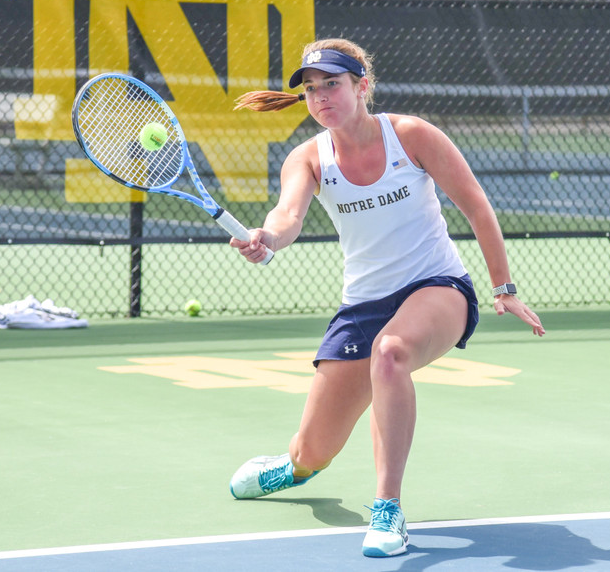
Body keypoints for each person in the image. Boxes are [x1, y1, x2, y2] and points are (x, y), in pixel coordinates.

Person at [227, 38, 545, 558]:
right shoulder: (308, 159)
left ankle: (388, 508)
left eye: (332, 84)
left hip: (437, 286)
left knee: (390, 353)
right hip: (363, 305)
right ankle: (293, 468)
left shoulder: (411, 136)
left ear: (362, 86)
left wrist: (503, 287)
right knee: (313, 451)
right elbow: (287, 216)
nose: (321, 96)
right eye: (312, 88)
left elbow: (476, 205)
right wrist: (268, 238)